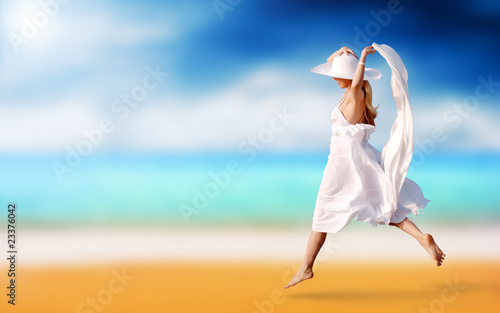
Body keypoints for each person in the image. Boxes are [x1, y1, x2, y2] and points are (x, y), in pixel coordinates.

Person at [284, 44, 445, 289]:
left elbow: (356, 81)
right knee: (383, 205)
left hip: (342, 164)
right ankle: (422, 238)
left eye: (339, 74)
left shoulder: (354, 94)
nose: (334, 77)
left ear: (352, 77)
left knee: (321, 215)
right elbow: (334, 66)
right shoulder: (350, 94)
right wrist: (341, 52)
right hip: (356, 159)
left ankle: (306, 268)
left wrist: (363, 58)